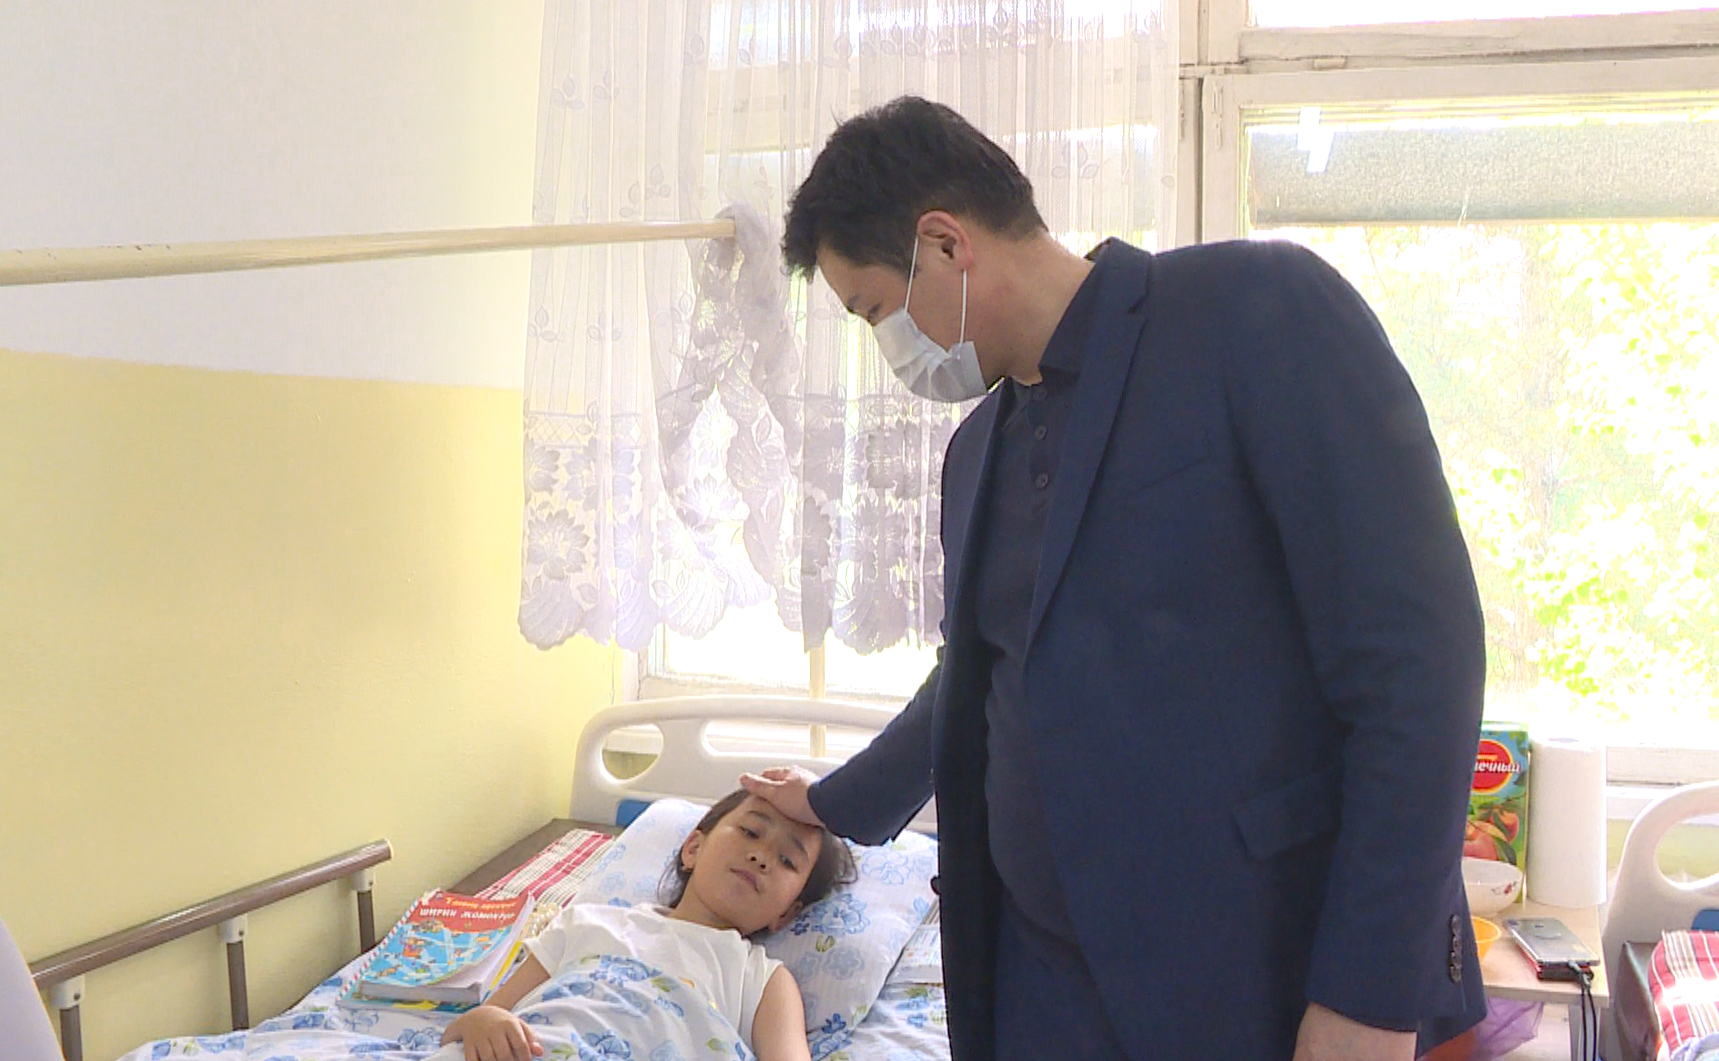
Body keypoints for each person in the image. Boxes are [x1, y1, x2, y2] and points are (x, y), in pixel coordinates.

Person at [740, 96, 1489, 1061]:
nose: (891, 353)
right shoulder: (976, 453)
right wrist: (836, 800)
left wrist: (1368, 993)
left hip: (1253, 971)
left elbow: (1418, 660)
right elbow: (974, 676)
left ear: (943, 243)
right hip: (1042, 988)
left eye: (876, 312)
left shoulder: (1253, 314)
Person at [439, 791, 855, 1061]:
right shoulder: (589, 922)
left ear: (786, 914)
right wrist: (486, 1023)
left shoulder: (762, 978)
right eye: (750, 832)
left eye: (786, 860)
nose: (761, 857)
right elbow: (484, 1016)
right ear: (693, 848)